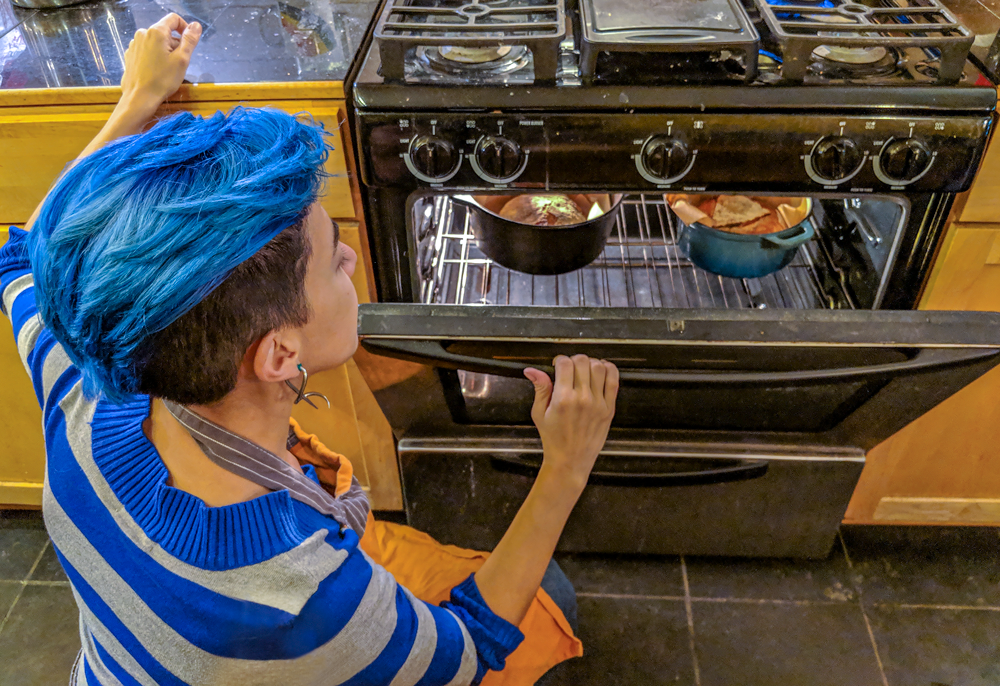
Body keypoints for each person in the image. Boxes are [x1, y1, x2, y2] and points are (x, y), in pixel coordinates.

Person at [0, 13, 619, 686]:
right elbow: (465, 652)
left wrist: (135, 104)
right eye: (332, 261)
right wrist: (566, 465)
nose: (351, 254)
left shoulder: (92, 396)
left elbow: (19, 259)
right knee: (548, 600)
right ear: (276, 356)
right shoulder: (302, 600)